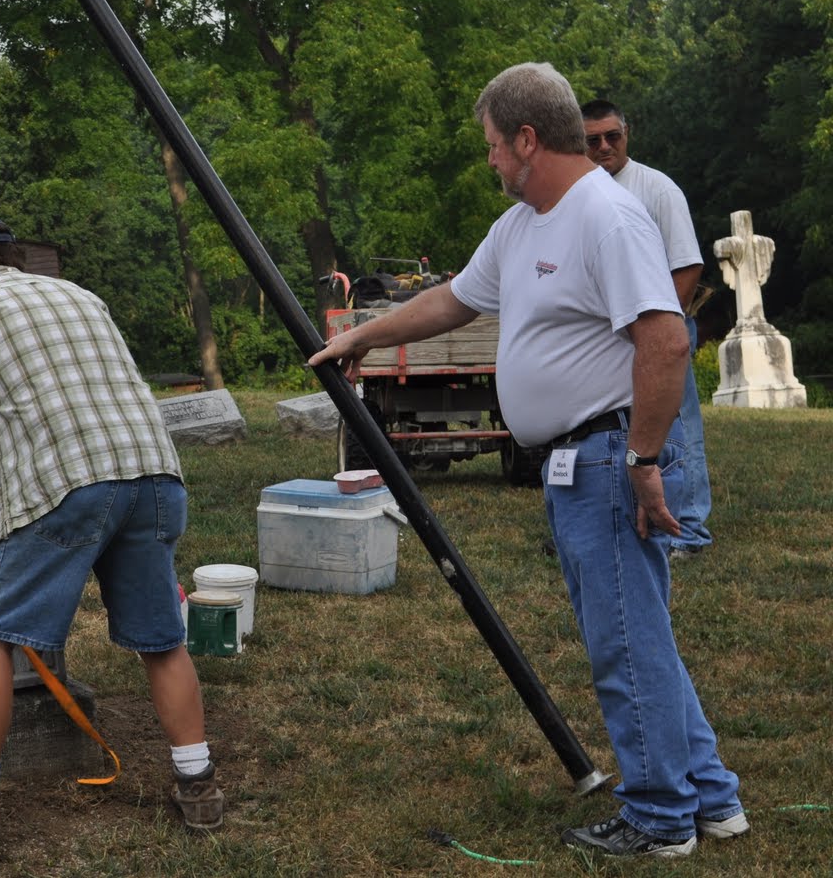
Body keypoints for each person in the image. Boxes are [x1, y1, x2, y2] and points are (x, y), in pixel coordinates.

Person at [310, 65, 744, 859]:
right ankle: (710, 797)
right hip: (572, 461)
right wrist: (363, 336)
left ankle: (659, 818)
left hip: (611, 454)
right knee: (635, 630)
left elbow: (668, 338)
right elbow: (455, 299)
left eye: (491, 148)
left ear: (527, 139)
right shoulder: (523, 225)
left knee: (622, 638)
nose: (488, 163)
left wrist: (645, 460)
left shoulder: (605, 218)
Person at [0, 214, 222, 857]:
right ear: (15, 260)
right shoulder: (80, 296)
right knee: (162, 638)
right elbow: (74, 400)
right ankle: (200, 788)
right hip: (154, 478)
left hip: (69, 492)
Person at [580, 97, 712, 557]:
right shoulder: (580, 195)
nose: (603, 146)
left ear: (626, 133)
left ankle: (690, 530)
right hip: (610, 339)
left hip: (660, 334)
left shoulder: (656, 188)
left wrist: (660, 331)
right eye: (592, 139)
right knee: (619, 432)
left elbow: (687, 266)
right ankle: (626, 519)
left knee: (678, 430)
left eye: (611, 136)